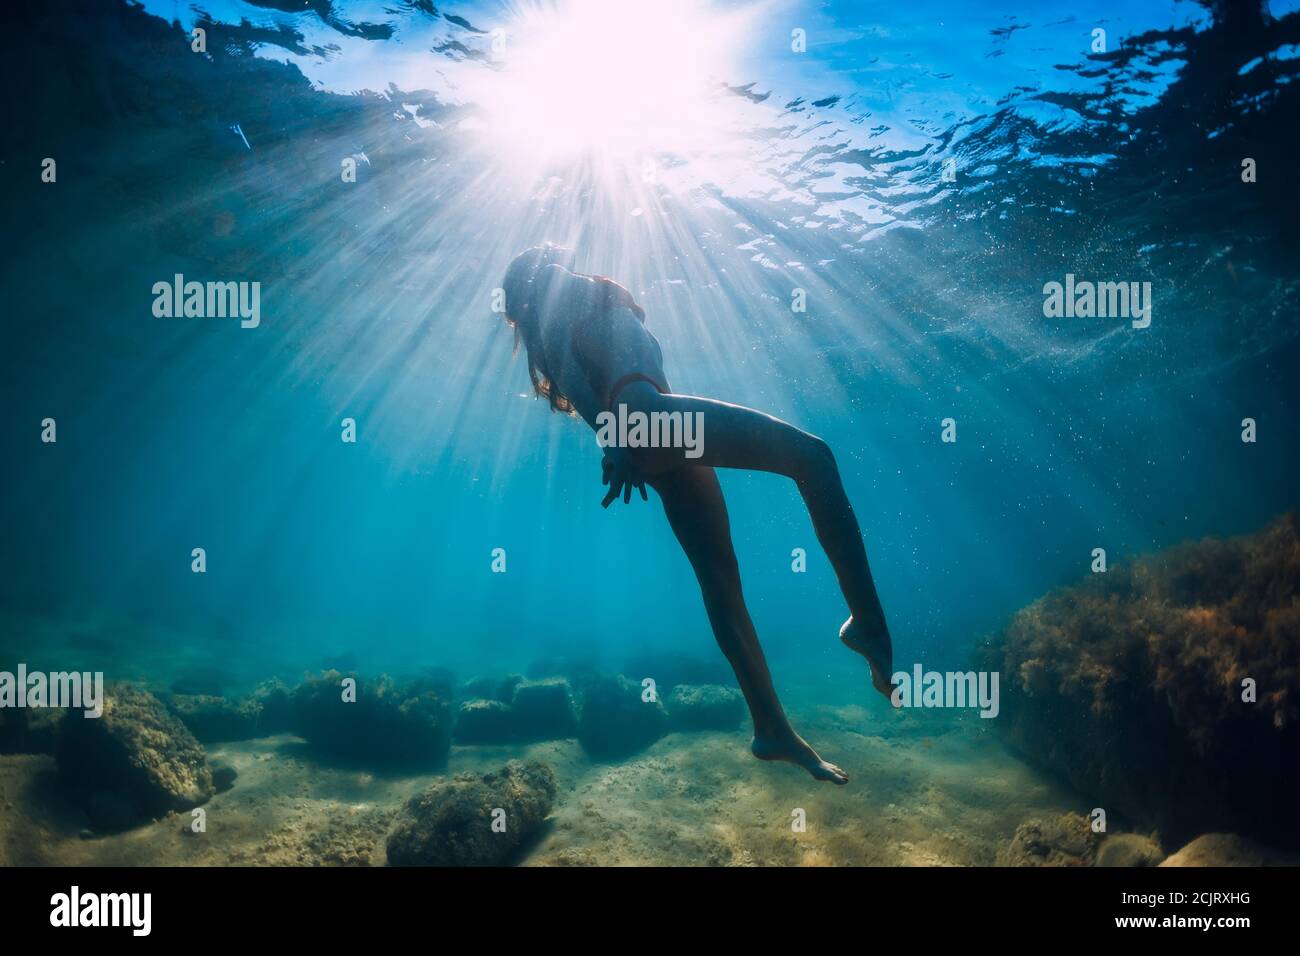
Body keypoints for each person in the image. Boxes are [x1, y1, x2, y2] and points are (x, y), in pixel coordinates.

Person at [501, 245, 894, 783]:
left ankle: (771, 727)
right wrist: (618, 439)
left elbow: (571, 372)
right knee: (813, 457)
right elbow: (575, 371)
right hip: (655, 422)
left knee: (720, 582)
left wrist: (616, 441)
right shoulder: (553, 280)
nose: (555, 255)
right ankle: (868, 624)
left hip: (651, 436)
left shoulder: (551, 324)